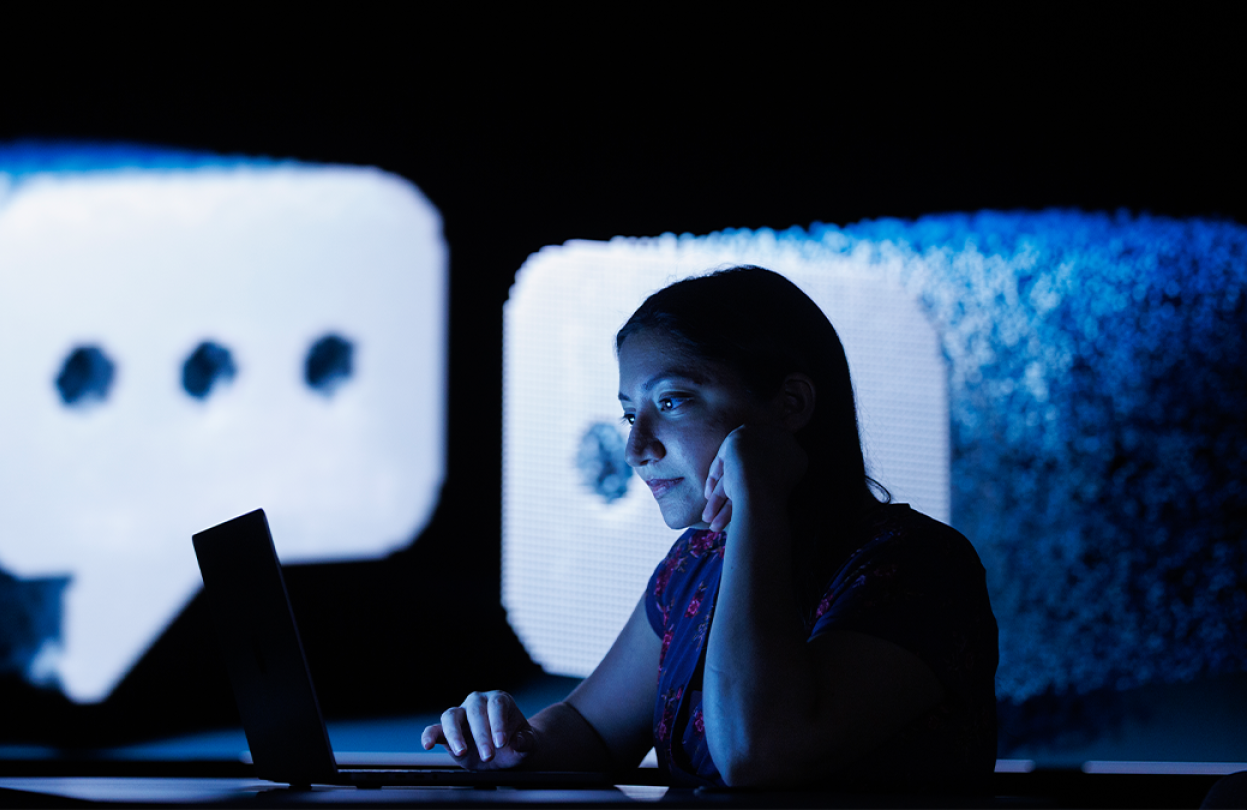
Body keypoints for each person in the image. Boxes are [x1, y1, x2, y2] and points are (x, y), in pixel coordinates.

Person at [422, 266, 998, 791]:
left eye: (671, 401)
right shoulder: (693, 562)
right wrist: (510, 739)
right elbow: (591, 730)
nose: (635, 447)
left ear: (791, 405)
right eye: (630, 413)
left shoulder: (919, 565)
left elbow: (759, 752)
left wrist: (759, 507)